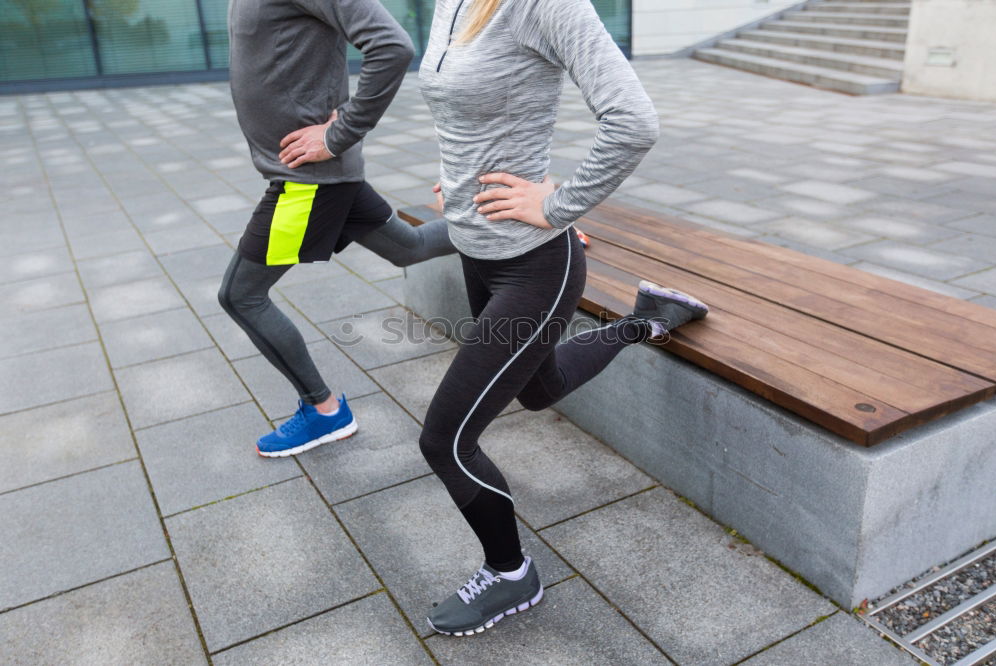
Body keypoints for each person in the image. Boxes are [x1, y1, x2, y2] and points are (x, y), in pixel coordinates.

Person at [416, 0, 709, 636]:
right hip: (479, 251)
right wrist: (457, 182)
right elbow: (466, 112)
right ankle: (647, 321)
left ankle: (511, 575)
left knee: (444, 440)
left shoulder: (543, 5)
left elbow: (634, 121)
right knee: (540, 391)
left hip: (535, 267)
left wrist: (560, 207)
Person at [219, 0, 455, 457]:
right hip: (316, 177)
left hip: (307, 183)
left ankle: (326, 412)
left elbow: (392, 47)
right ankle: (520, 230)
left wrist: (338, 134)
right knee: (408, 247)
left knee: (241, 295)